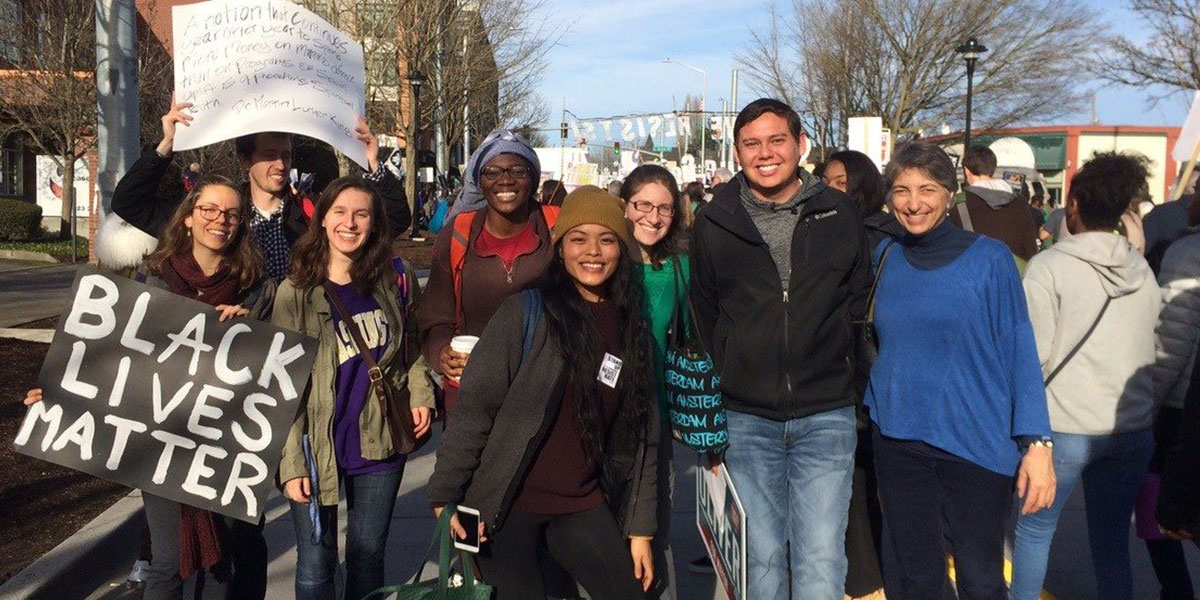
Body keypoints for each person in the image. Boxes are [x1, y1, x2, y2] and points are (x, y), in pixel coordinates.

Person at [27, 175, 275, 599]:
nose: (221, 221)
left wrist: (250, 328)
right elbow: (116, 356)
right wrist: (60, 393)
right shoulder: (154, 280)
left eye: (232, 214)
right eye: (210, 210)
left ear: (241, 224)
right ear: (189, 218)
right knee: (167, 561)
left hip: (224, 443)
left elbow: (274, 371)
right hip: (162, 439)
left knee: (220, 563)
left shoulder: (258, 288)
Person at [427, 186, 659, 600]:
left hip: (581, 503)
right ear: (560, 247)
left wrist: (640, 528)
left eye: (606, 239)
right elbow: (475, 411)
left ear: (622, 250)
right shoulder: (525, 313)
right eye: (578, 238)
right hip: (507, 506)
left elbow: (644, 439)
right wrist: (445, 495)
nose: (593, 251)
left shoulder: (632, 328)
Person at [690, 98, 870, 600]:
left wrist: (849, 377)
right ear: (737, 152)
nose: (765, 153)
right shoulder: (714, 221)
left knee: (821, 562)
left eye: (776, 141)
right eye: (751, 143)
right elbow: (704, 314)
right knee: (761, 563)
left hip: (826, 413)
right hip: (746, 418)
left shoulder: (839, 213)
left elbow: (858, 302)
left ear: (800, 146)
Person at [865, 142, 1054, 600]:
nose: (913, 203)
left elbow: (1019, 350)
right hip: (898, 440)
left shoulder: (989, 259)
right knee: (916, 579)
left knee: (980, 578)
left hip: (975, 445)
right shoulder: (885, 256)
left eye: (927, 189)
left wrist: (1037, 443)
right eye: (902, 190)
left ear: (951, 194)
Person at [273, 176, 434, 600]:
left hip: (379, 442)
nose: (350, 223)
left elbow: (412, 348)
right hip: (315, 446)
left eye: (361, 214)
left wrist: (421, 395)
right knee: (315, 565)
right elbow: (281, 389)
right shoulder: (295, 293)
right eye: (340, 212)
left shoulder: (393, 280)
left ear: (374, 223)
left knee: (367, 559)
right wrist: (290, 463)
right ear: (322, 218)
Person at [1011, 152, 1160, 600]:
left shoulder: (1050, 266)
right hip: (1130, 427)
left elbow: (1030, 357)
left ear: (1072, 204)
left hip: (1064, 426)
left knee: (1035, 534)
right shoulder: (1142, 270)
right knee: (1112, 543)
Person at [113, 99, 411, 280]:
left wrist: (374, 164)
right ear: (244, 160)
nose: (280, 164)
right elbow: (129, 203)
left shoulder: (312, 212)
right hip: (238, 349)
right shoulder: (218, 215)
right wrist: (166, 146)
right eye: (269, 155)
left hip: (301, 348)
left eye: (286, 156)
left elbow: (395, 219)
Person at [416, 129, 558, 418]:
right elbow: (434, 316)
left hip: (543, 394)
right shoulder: (456, 236)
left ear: (532, 179)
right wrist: (443, 351)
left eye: (518, 170)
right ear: (479, 181)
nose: (505, 179)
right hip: (472, 394)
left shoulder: (558, 229)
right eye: (492, 171)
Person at [822, 149, 895, 600]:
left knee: (856, 482)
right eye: (825, 180)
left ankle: (865, 581)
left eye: (839, 180)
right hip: (870, 375)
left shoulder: (861, 235)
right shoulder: (891, 233)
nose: (830, 188)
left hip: (856, 372)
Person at [620, 164, 690, 600]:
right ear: (624, 207)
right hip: (601, 420)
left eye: (664, 207)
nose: (653, 215)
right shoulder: (602, 258)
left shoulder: (679, 269)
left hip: (655, 420)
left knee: (653, 540)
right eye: (643, 204)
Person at [1145, 185, 1200, 600]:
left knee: (1157, 508)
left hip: (1180, 407)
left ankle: (1176, 590)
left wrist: (1149, 400)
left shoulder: (1186, 254)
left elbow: (1171, 344)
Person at [949, 145, 1040, 261]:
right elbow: (1030, 250)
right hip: (1012, 275)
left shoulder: (958, 204)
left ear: (967, 171)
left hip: (973, 275)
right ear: (992, 169)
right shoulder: (1019, 203)